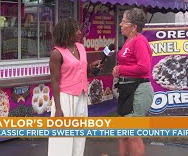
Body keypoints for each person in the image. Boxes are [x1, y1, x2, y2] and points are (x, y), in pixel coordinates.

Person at [48, 17, 102, 156]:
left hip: (81, 96)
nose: (79, 32)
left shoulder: (80, 47)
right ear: (67, 33)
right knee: (63, 139)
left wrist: (91, 67)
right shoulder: (56, 53)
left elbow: (82, 70)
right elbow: (54, 80)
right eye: (75, 30)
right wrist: (58, 109)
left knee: (79, 136)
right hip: (65, 98)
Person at [112, 8, 154, 156]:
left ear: (134, 27)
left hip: (138, 90)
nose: (120, 25)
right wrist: (119, 71)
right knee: (123, 134)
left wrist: (121, 69)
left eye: (124, 22)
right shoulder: (129, 40)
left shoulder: (139, 41)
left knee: (133, 135)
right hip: (127, 89)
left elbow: (144, 67)